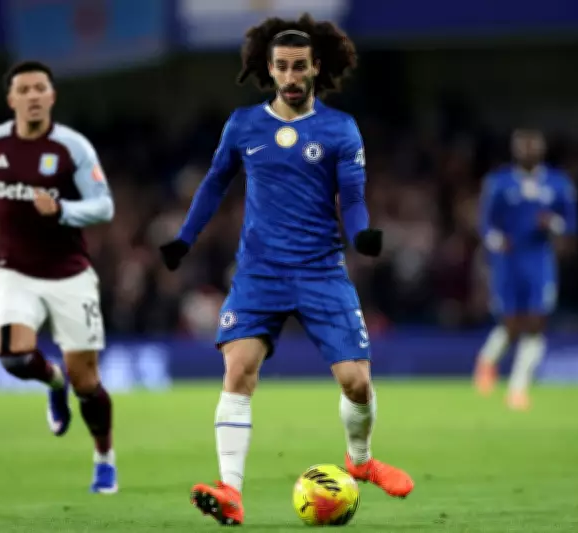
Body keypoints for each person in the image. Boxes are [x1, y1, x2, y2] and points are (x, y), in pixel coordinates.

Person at [159, 14, 414, 526]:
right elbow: (214, 184)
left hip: (321, 271)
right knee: (238, 370)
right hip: (260, 273)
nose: (291, 76)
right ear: (269, 70)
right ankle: (230, 491)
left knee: (356, 383)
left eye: (300, 66)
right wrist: (185, 238)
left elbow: (353, 198)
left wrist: (361, 233)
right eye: (282, 67)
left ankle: (360, 462)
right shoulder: (243, 125)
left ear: (316, 67)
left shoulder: (340, 129)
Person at [0, 60, 118, 493]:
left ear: (52, 96)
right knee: (13, 357)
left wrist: (62, 209)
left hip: (70, 276)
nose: (32, 96)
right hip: (15, 273)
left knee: (88, 383)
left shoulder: (72, 147)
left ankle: (104, 458)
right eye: (23, 90)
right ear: (11, 99)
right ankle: (53, 382)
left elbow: (104, 206)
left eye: (40, 88)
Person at [473, 129, 578, 410]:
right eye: (523, 145)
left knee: (536, 321)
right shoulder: (499, 182)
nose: (528, 150)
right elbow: (485, 224)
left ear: (542, 149)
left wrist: (552, 223)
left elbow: (571, 225)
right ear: (514, 149)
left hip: (540, 259)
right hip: (508, 261)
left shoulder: (558, 183)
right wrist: (497, 241)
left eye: (533, 145)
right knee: (511, 323)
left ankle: (518, 387)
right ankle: (487, 359)